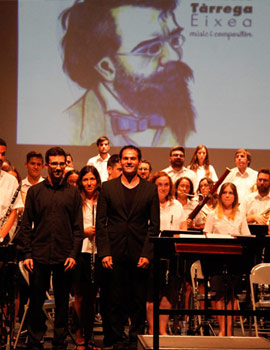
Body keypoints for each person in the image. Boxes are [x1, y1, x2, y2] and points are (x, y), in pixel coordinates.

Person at [59, 0, 196, 147]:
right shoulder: (67, 128)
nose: (174, 57)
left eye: (174, 40)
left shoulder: (188, 119)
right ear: (107, 68)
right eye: (152, 49)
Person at [17, 147, 84, 350]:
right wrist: (27, 253)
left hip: (65, 256)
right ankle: (35, 340)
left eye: (60, 164)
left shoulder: (73, 193)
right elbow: (26, 225)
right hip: (38, 254)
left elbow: (78, 228)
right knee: (36, 300)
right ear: (47, 165)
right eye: (53, 163)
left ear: (66, 165)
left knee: (63, 301)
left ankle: (59, 340)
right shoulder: (35, 192)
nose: (57, 167)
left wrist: (74, 254)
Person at [96, 145, 159, 350]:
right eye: (126, 158)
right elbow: (101, 223)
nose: (129, 162)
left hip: (139, 253)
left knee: (138, 300)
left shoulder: (150, 189)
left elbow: (154, 226)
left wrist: (147, 253)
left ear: (139, 162)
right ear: (120, 162)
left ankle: (135, 339)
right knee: (114, 300)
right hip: (113, 253)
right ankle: (115, 339)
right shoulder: (108, 187)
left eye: (133, 158)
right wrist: (104, 251)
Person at [204, 182, 250, 336]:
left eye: (231, 193)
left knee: (231, 294)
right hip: (216, 259)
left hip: (235, 259)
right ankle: (222, 329)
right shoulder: (212, 214)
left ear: (235, 196)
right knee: (219, 294)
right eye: (225, 192)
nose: (228, 195)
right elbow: (206, 234)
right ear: (220, 195)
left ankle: (230, 330)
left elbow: (247, 235)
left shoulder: (240, 214)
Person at [147, 171, 186, 335]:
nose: (163, 188)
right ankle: (151, 328)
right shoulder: (148, 203)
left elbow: (183, 227)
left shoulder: (176, 204)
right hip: (152, 252)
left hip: (172, 254)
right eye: (159, 184)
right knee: (152, 293)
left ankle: (162, 330)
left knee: (169, 293)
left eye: (166, 184)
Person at [73, 166, 101, 350]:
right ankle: (78, 332)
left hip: (98, 252)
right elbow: (68, 226)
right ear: (80, 182)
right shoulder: (76, 201)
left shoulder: (104, 201)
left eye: (92, 179)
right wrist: (83, 232)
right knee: (79, 296)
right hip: (80, 251)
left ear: (97, 181)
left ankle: (90, 335)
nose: (89, 183)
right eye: (85, 179)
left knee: (92, 297)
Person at [0, 138, 24, 243]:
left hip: (2, 236)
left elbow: (13, 212)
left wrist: (1, 236)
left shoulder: (11, 180)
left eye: (3, 154)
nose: (0, 158)